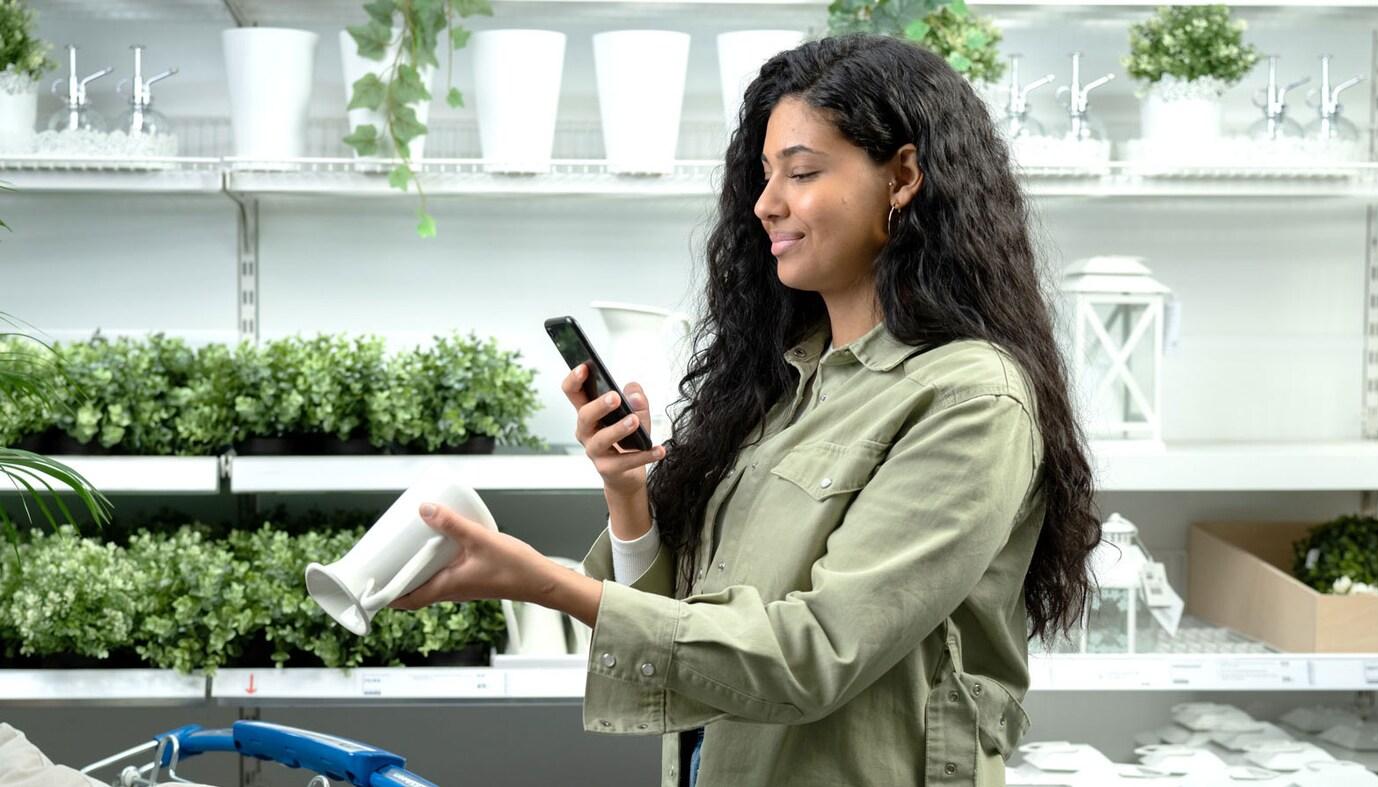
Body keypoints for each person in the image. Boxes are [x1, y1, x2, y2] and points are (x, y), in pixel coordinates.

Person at [391, 32, 1102, 787]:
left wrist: (544, 581)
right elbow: (691, 625)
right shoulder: (785, 382)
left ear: (901, 177)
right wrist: (628, 492)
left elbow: (815, 651)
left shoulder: (970, 398)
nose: (766, 204)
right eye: (764, 174)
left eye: (800, 171)